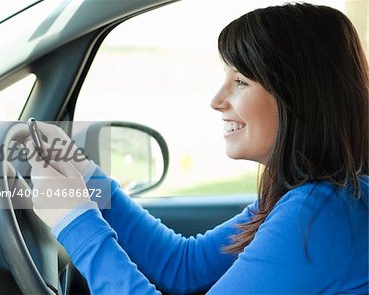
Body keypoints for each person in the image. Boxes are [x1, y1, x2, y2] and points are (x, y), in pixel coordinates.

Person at [27, 2, 368, 294]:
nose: (216, 101)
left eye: (240, 81)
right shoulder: (309, 196)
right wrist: (85, 175)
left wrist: (76, 223)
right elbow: (183, 265)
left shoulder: (321, 212)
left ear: (297, 96)